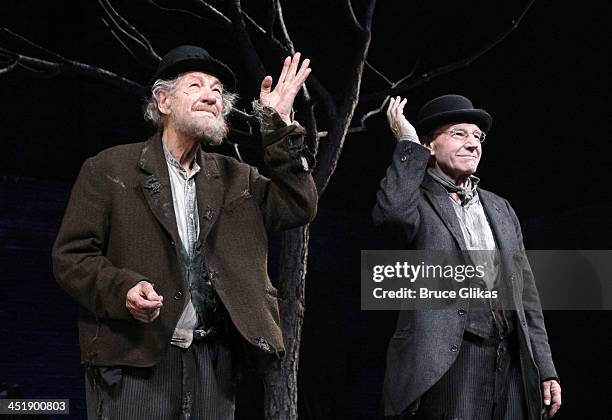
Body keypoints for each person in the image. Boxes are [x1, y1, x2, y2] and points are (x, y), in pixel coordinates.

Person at [52, 45, 317, 419]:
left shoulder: (237, 178)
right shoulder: (109, 169)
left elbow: (298, 206)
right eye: (195, 85)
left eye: (217, 91)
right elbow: (71, 258)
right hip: (137, 364)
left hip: (214, 365)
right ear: (163, 101)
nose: (211, 95)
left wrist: (278, 125)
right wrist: (122, 288)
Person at [373, 94, 561, 419]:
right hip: (451, 362)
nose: (473, 144)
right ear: (429, 146)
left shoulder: (500, 207)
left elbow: (526, 295)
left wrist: (545, 367)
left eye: (478, 137)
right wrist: (407, 141)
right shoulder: (414, 200)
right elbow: (390, 216)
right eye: (459, 133)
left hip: (511, 361)